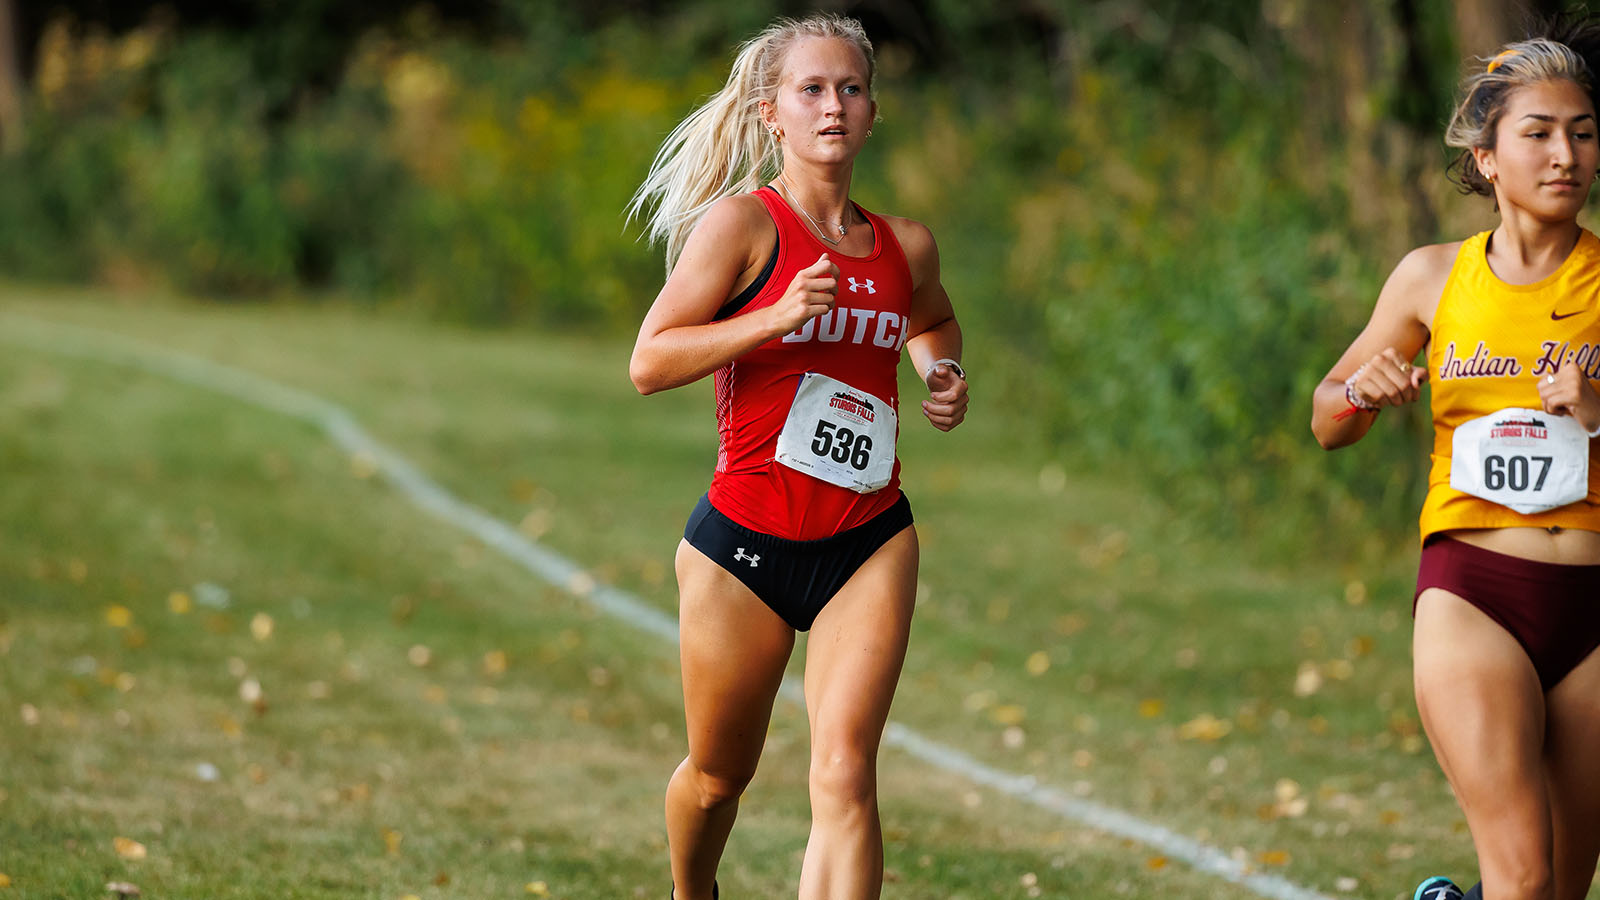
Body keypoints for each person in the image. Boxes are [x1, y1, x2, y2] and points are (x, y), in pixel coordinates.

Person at [626, 14, 967, 900]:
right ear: (773, 112)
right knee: (717, 777)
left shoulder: (906, 245)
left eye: (850, 88)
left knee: (847, 774)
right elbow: (649, 361)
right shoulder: (743, 228)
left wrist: (943, 371)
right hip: (745, 542)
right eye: (812, 89)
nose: (833, 106)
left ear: (872, 112)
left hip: (869, 536)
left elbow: (929, 317)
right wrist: (773, 318)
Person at [1311, 21, 1600, 900]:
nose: (1566, 155)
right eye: (1540, 133)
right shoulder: (1431, 277)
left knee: (1558, 887)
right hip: (1473, 593)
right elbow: (1327, 417)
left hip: (1593, 608)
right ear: (1487, 159)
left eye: (1584, 134)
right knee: (1519, 875)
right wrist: (1365, 389)